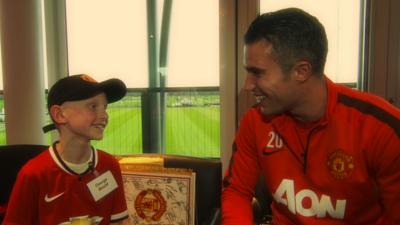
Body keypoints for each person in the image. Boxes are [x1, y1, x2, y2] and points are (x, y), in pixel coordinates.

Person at [222, 8, 400, 225]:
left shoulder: (383, 128)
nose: (248, 85)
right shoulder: (255, 122)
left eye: (257, 73)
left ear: (301, 71)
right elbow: (237, 192)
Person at [3, 74, 129, 225]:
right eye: (93, 106)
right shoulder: (33, 173)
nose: (104, 115)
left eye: (105, 107)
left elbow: (118, 221)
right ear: (59, 114)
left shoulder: (109, 165)